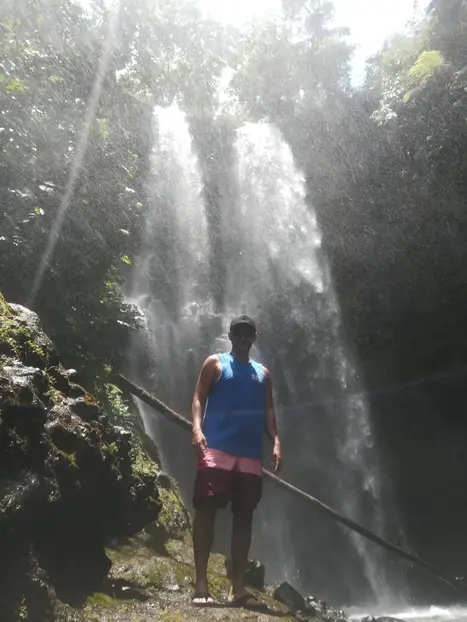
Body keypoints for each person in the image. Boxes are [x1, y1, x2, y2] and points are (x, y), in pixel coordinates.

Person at [190, 314, 282, 609]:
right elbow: (198, 397)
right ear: (230, 335)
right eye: (238, 334)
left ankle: (238, 588)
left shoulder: (263, 374)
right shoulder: (215, 363)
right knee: (206, 510)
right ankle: (201, 583)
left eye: (248, 334)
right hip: (216, 448)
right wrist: (197, 429)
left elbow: (268, 411)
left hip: (250, 454)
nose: (243, 339)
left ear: (255, 336)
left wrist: (276, 441)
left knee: (245, 516)